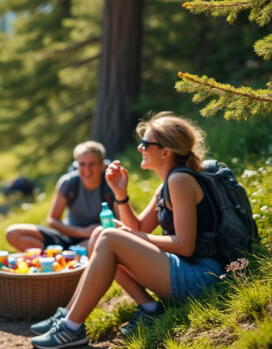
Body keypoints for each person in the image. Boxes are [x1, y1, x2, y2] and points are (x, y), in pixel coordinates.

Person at [31, 112, 226, 349]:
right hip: (186, 268)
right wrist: (120, 194)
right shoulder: (170, 182)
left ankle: (71, 328)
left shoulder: (180, 181)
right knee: (100, 235)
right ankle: (144, 308)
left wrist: (129, 236)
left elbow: (184, 244)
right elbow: (141, 228)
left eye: (146, 143)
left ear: (165, 152)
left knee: (110, 237)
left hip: (203, 277)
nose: (140, 148)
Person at [6, 141, 117, 251]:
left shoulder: (110, 185)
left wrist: (96, 233)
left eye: (92, 164)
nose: (87, 170)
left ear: (102, 166)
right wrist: (82, 232)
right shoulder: (68, 183)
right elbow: (52, 220)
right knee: (13, 233)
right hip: (66, 237)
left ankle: (69, 256)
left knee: (98, 241)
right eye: (82, 164)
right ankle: (55, 258)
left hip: (98, 239)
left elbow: (121, 224)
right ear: (76, 165)